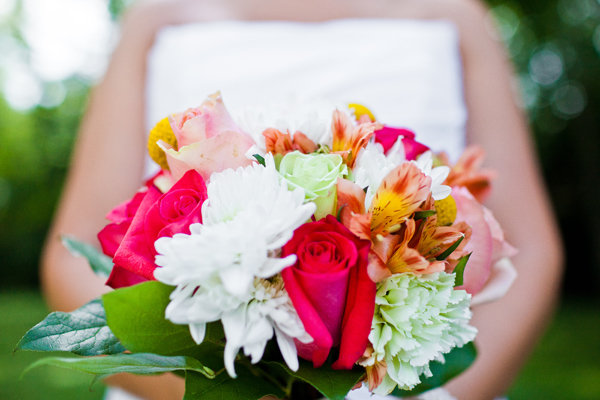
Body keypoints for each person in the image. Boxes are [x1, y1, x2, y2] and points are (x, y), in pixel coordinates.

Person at [40, 0, 563, 399]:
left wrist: (442, 394)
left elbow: (533, 249)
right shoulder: (157, 14)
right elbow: (75, 251)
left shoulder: (457, 14)